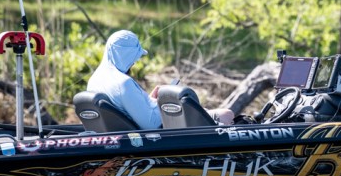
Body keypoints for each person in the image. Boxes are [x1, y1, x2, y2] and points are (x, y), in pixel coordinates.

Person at [87, 29, 233, 129]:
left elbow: (125, 112)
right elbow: (150, 125)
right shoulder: (123, 83)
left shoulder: (94, 81)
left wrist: (149, 100)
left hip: (126, 135)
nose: (134, 62)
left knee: (214, 113)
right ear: (126, 55)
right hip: (156, 136)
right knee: (226, 114)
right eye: (134, 58)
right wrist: (165, 102)